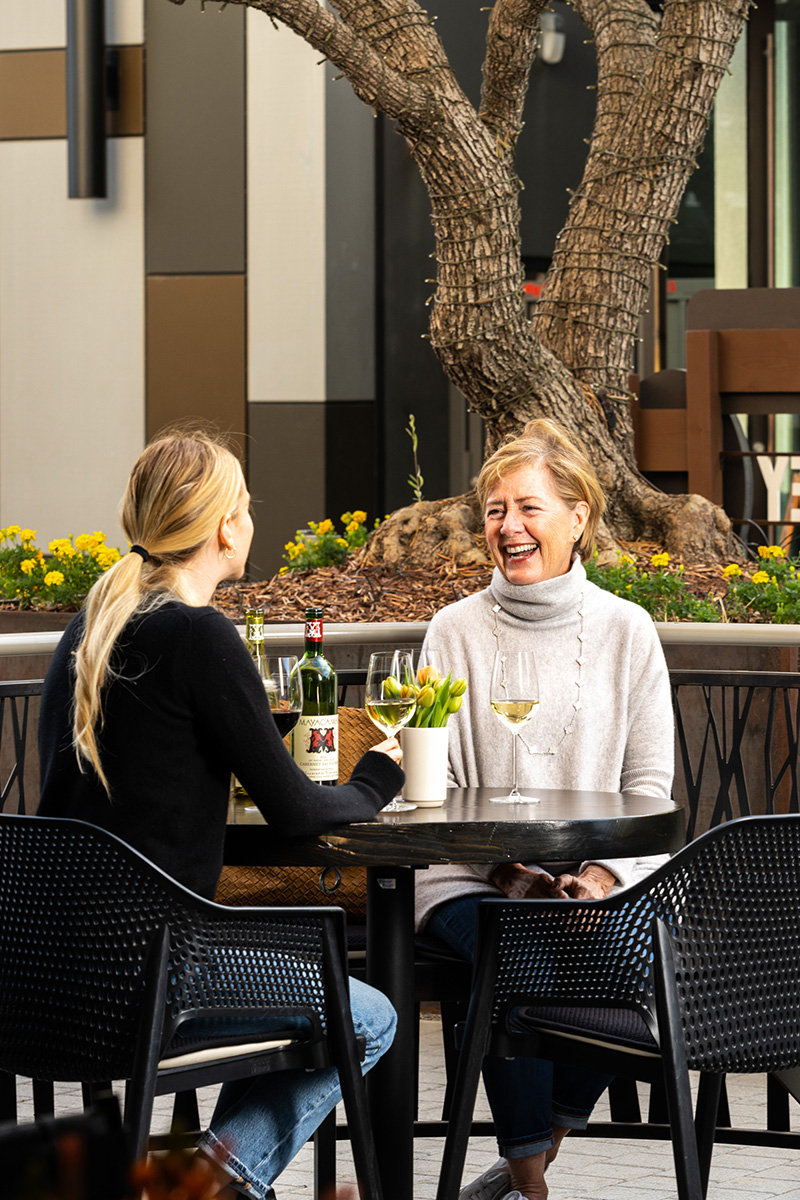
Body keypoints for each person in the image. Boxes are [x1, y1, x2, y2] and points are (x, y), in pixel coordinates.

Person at [38, 429, 404, 1200]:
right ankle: (207, 1179)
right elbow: (299, 812)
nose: (250, 520)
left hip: (48, 972)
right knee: (366, 1013)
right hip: (154, 975)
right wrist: (377, 779)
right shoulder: (198, 634)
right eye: (245, 505)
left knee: (306, 998)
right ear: (224, 528)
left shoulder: (90, 628)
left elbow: (146, 763)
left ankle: (215, 1170)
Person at [415, 418, 674, 1200]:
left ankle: (536, 1146)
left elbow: (651, 783)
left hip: (597, 874)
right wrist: (514, 874)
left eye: (528, 507)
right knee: (516, 950)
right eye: (495, 510)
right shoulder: (451, 632)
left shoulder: (629, 631)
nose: (509, 527)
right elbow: (435, 780)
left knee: (627, 955)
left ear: (577, 518)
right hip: (468, 875)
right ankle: (533, 1188)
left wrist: (599, 875)